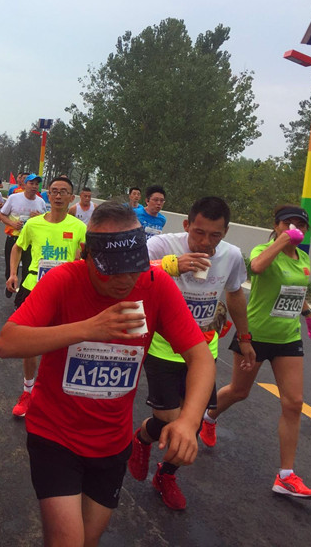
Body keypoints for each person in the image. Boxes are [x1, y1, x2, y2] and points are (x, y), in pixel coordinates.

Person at [0, 202, 214, 546]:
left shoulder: (155, 284)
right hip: (55, 435)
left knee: (88, 540)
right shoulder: (63, 280)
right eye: (111, 270)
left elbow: (201, 358)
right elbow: (7, 342)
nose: (125, 281)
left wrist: (188, 421)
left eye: (133, 268)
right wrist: (88, 328)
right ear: (85, 254)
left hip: (112, 443)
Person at [129, 196, 251, 510]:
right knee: (169, 421)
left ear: (225, 232)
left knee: (191, 425)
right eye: (199, 232)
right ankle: (141, 439)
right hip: (163, 346)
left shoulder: (231, 256)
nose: (206, 242)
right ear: (186, 225)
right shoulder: (161, 245)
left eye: (215, 235)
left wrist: (245, 337)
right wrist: (171, 265)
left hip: (202, 349)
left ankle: (166, 475)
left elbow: (235, 294)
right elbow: (128, 271)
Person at [203, 204, 311, 499]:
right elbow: (256, 268)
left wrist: (309, 316)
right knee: (239, 391)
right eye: (287, 223)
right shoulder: (263, 250)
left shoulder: (303, 258)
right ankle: (208, 417)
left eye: (300, 225)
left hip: (288, 338)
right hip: (254, 336)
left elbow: (296, 291)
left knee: (294, 403)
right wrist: (282, 241)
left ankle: (286, 476)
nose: (294, 228)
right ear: (276, 226)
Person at [6, 176, 86, 418]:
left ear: (72, 197)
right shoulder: (33, 224)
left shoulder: (79, 227)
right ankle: (27, 391)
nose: (58, 196)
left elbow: (88, 257)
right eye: (54, 191)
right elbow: (17, 247)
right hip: (34, 287)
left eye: (63, 192)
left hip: (65, 292)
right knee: (30, 343)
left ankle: (55, 394)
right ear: (48, 195)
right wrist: (13, 274)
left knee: (63, 345)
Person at [0, 173, 46, 298]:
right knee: (10, 268)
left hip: (31, 242)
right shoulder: (14, 198)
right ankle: (10, 284)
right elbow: (2, 215)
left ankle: (20, 298)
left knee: (27, 270)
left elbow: (46, 221)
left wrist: (39, 217)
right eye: (31, 183)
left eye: (37, 184)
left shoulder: (41, 202)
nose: (34, 186)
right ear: (25, 184)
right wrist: (12, 224)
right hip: (14, 238)